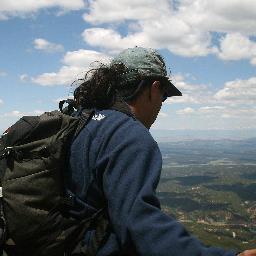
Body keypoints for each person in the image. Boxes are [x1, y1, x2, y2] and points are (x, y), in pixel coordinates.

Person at [67, 47, 256, 256]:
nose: (161, 104)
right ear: (154, 88)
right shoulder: (129, 135)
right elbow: (141, 227)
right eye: (164, 96)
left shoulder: (79, 121)